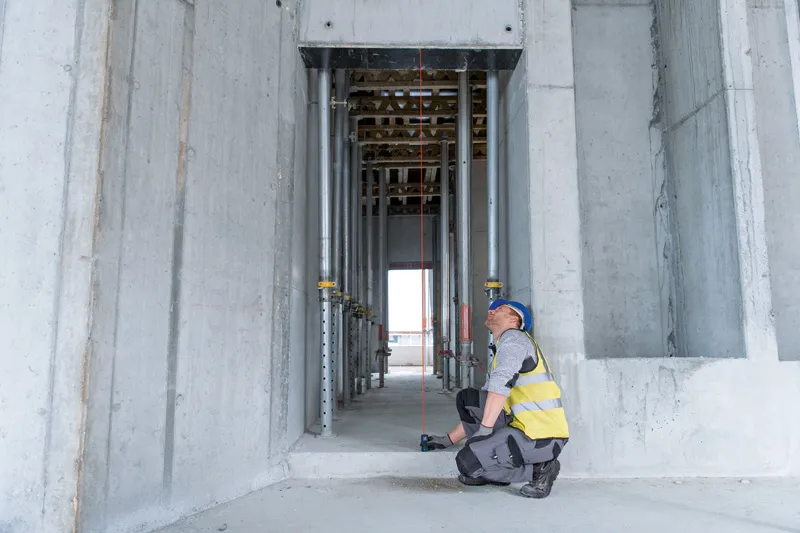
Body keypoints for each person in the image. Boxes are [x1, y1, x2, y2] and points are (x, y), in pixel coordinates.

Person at [425, 299, 569, 498]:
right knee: (469, 399)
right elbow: (487, 402)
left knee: (468, 464)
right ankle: (495, 465)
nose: (491, 311)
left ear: (514, 320)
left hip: (540, 436)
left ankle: (540, 469)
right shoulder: (503, 345)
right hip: (522, 426)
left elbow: (500, 385)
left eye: (499, 309)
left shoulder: (515, 340)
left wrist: (484, 431)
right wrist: (447, 440)